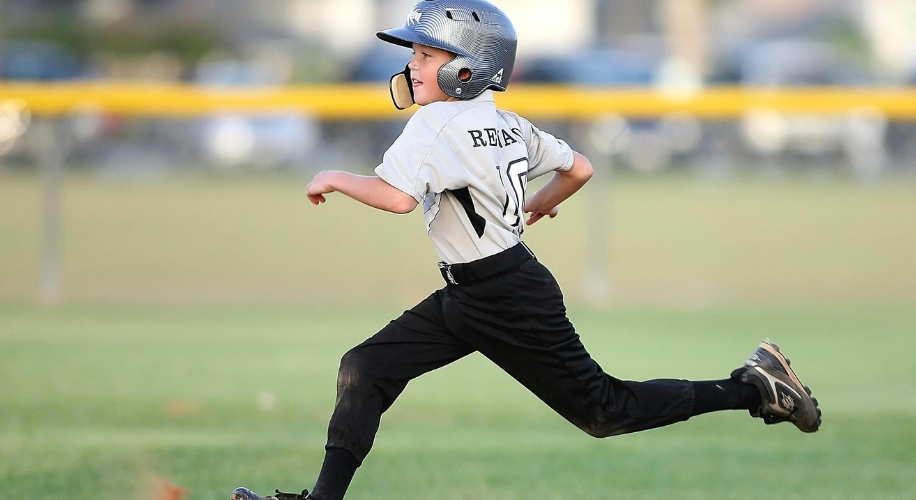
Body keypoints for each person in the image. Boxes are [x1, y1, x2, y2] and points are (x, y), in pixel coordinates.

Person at [231, 1, 821, 499]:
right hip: (480, 289)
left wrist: (334, 175)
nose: (411, 66)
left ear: (470, 67)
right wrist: (536, 204)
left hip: (505, 296)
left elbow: (396, 199)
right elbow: (579, 167)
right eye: (414, 53)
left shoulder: (435, 126)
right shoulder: (506, 121)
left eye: (425, 55)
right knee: (367, 367)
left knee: (604, 411)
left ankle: (754, 386)